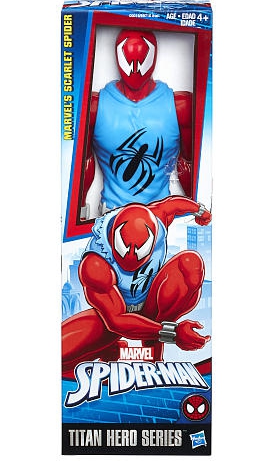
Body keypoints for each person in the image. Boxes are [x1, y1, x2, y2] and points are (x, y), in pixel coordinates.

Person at [62, 195, 211, 377]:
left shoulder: (158, 217)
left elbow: (174, 204)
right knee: (61, 354)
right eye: (124, 251)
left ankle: (154, 358)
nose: (131, 258)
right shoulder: (95, 264)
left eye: (139, 253)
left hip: (153, 303)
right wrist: (174, 333)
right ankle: (110, 351)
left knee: (190, 264)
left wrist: (200, 211)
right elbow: (116, 320)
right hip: (115, 313)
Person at [81, 29, 194, 218]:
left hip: (160, 217)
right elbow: (83, 164)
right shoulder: (92, 107)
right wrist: (79, 215)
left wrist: (195, 213)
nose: (135, 67)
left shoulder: (181, 106)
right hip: (112, 215)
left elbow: (189, 164)